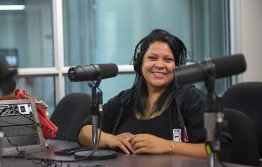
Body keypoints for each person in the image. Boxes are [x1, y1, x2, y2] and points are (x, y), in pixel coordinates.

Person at [78, 29, 207, 158]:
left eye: (168, 60)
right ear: (140, 63)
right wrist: (111, 140)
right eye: (152, 58)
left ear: (177, 66)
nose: (160, 65)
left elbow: (213, 151)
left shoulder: (192, 99)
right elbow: (84, 133)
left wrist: (168, 146)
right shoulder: (124, 101)